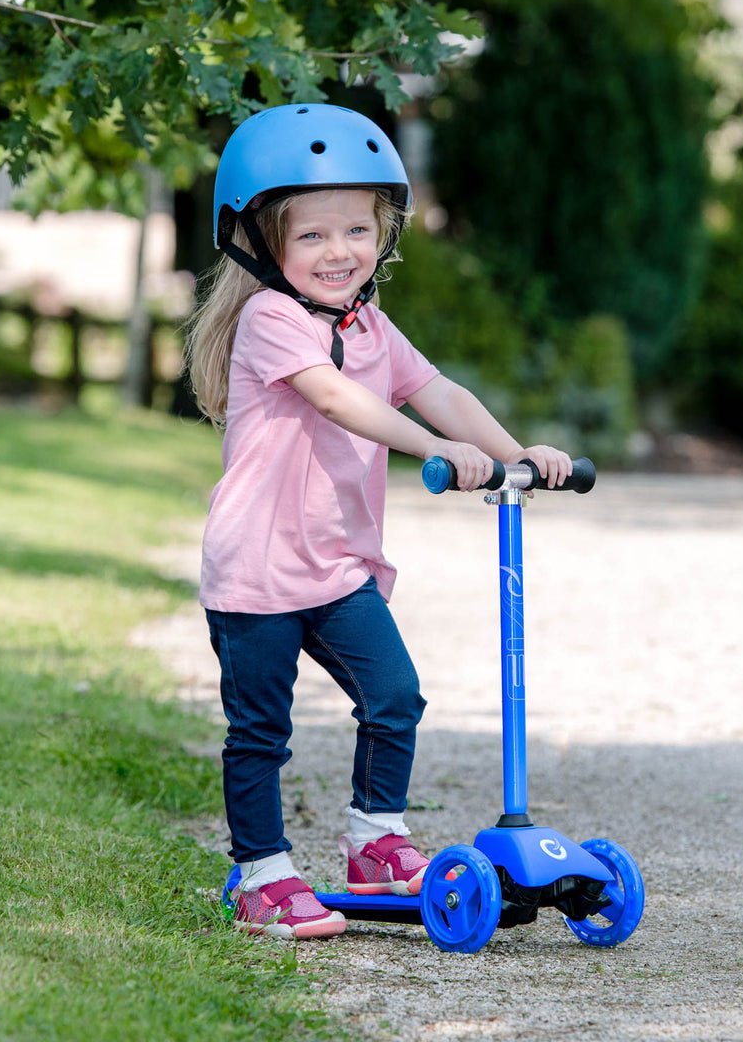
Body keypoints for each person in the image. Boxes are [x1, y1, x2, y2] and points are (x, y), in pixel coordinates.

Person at [186, 102, 571, 940]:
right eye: (313, 236)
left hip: (336, 569)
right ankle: (261, 874)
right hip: (257, 571)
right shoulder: (271, 320)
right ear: (260, 243)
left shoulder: (371, 325)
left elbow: (443, 393)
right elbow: (340, 401)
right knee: (263, 730)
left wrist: (520, 455)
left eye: (357, 231)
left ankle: (377, 843)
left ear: (384, 234)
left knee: (395, 696)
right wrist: (432, 449)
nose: (340, 252)